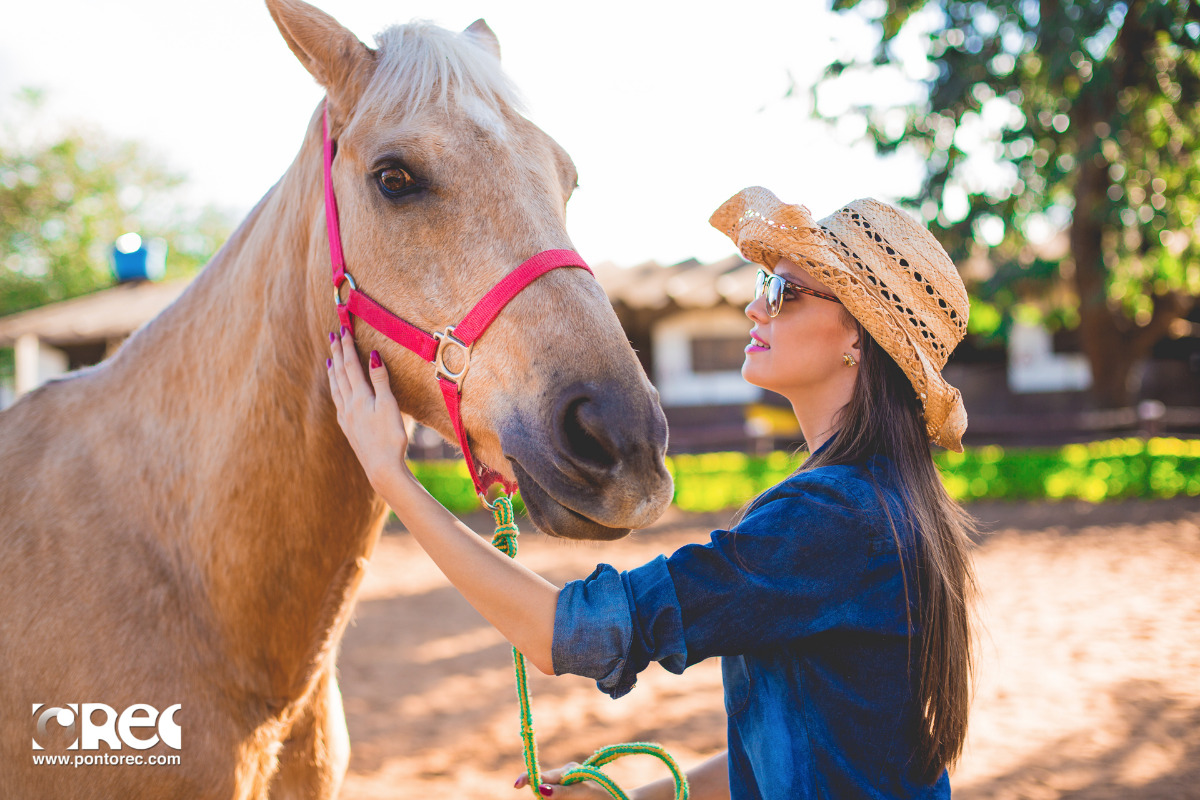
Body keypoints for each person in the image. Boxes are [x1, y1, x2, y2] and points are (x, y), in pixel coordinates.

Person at [325, 186, 979, 799]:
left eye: (784, 291)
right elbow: (783, 751)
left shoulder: (831, 518)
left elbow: (568, 632)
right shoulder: (880, 501)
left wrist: (390, 475)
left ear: (857, 336)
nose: (756, 305)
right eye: (763, 284)